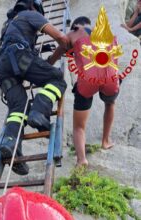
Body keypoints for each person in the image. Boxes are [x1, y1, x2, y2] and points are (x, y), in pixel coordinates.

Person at [0, 0, 69, 175]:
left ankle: (10, 144)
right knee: (57, 80)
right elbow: (62, 38)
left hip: (2, 68)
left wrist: (45, 61)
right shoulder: (31, 14)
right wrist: (63, 49)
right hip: (20, 57)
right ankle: (39, 112)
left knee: (19, 107)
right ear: (34, 7)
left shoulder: (9, 25)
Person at [48, 17, 120, 167]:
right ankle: (105, 141)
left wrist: (49, 61)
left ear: (75, 26)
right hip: (110, 76)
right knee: (110, 103)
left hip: (87, 80)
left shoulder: (73, 34)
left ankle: (81, 160)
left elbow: (53, 58)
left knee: (79, 127)